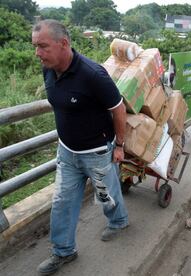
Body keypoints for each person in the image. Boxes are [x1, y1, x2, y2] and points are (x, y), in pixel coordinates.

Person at [32, 20, 129, 275]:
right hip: (66, 151)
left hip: (96, 153)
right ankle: (63, 251)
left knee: (105, 195)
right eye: (35, 47)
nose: (37, 53)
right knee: (62, 201)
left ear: (63, 43)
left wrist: (119, 146)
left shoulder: (92, 74)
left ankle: (118, 221)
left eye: (43, 46)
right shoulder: (48, 69)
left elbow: (118, 109)